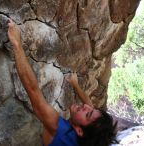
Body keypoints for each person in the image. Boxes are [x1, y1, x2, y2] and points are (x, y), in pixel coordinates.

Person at [7, 18, 117, 146]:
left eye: (87, 113)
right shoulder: (90, 138)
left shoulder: (59, 130)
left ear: (79, 131)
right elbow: (88, 105)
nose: (86, 107)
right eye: (92, 110)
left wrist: (16, 43)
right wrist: (75, 85)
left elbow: (33, 90)